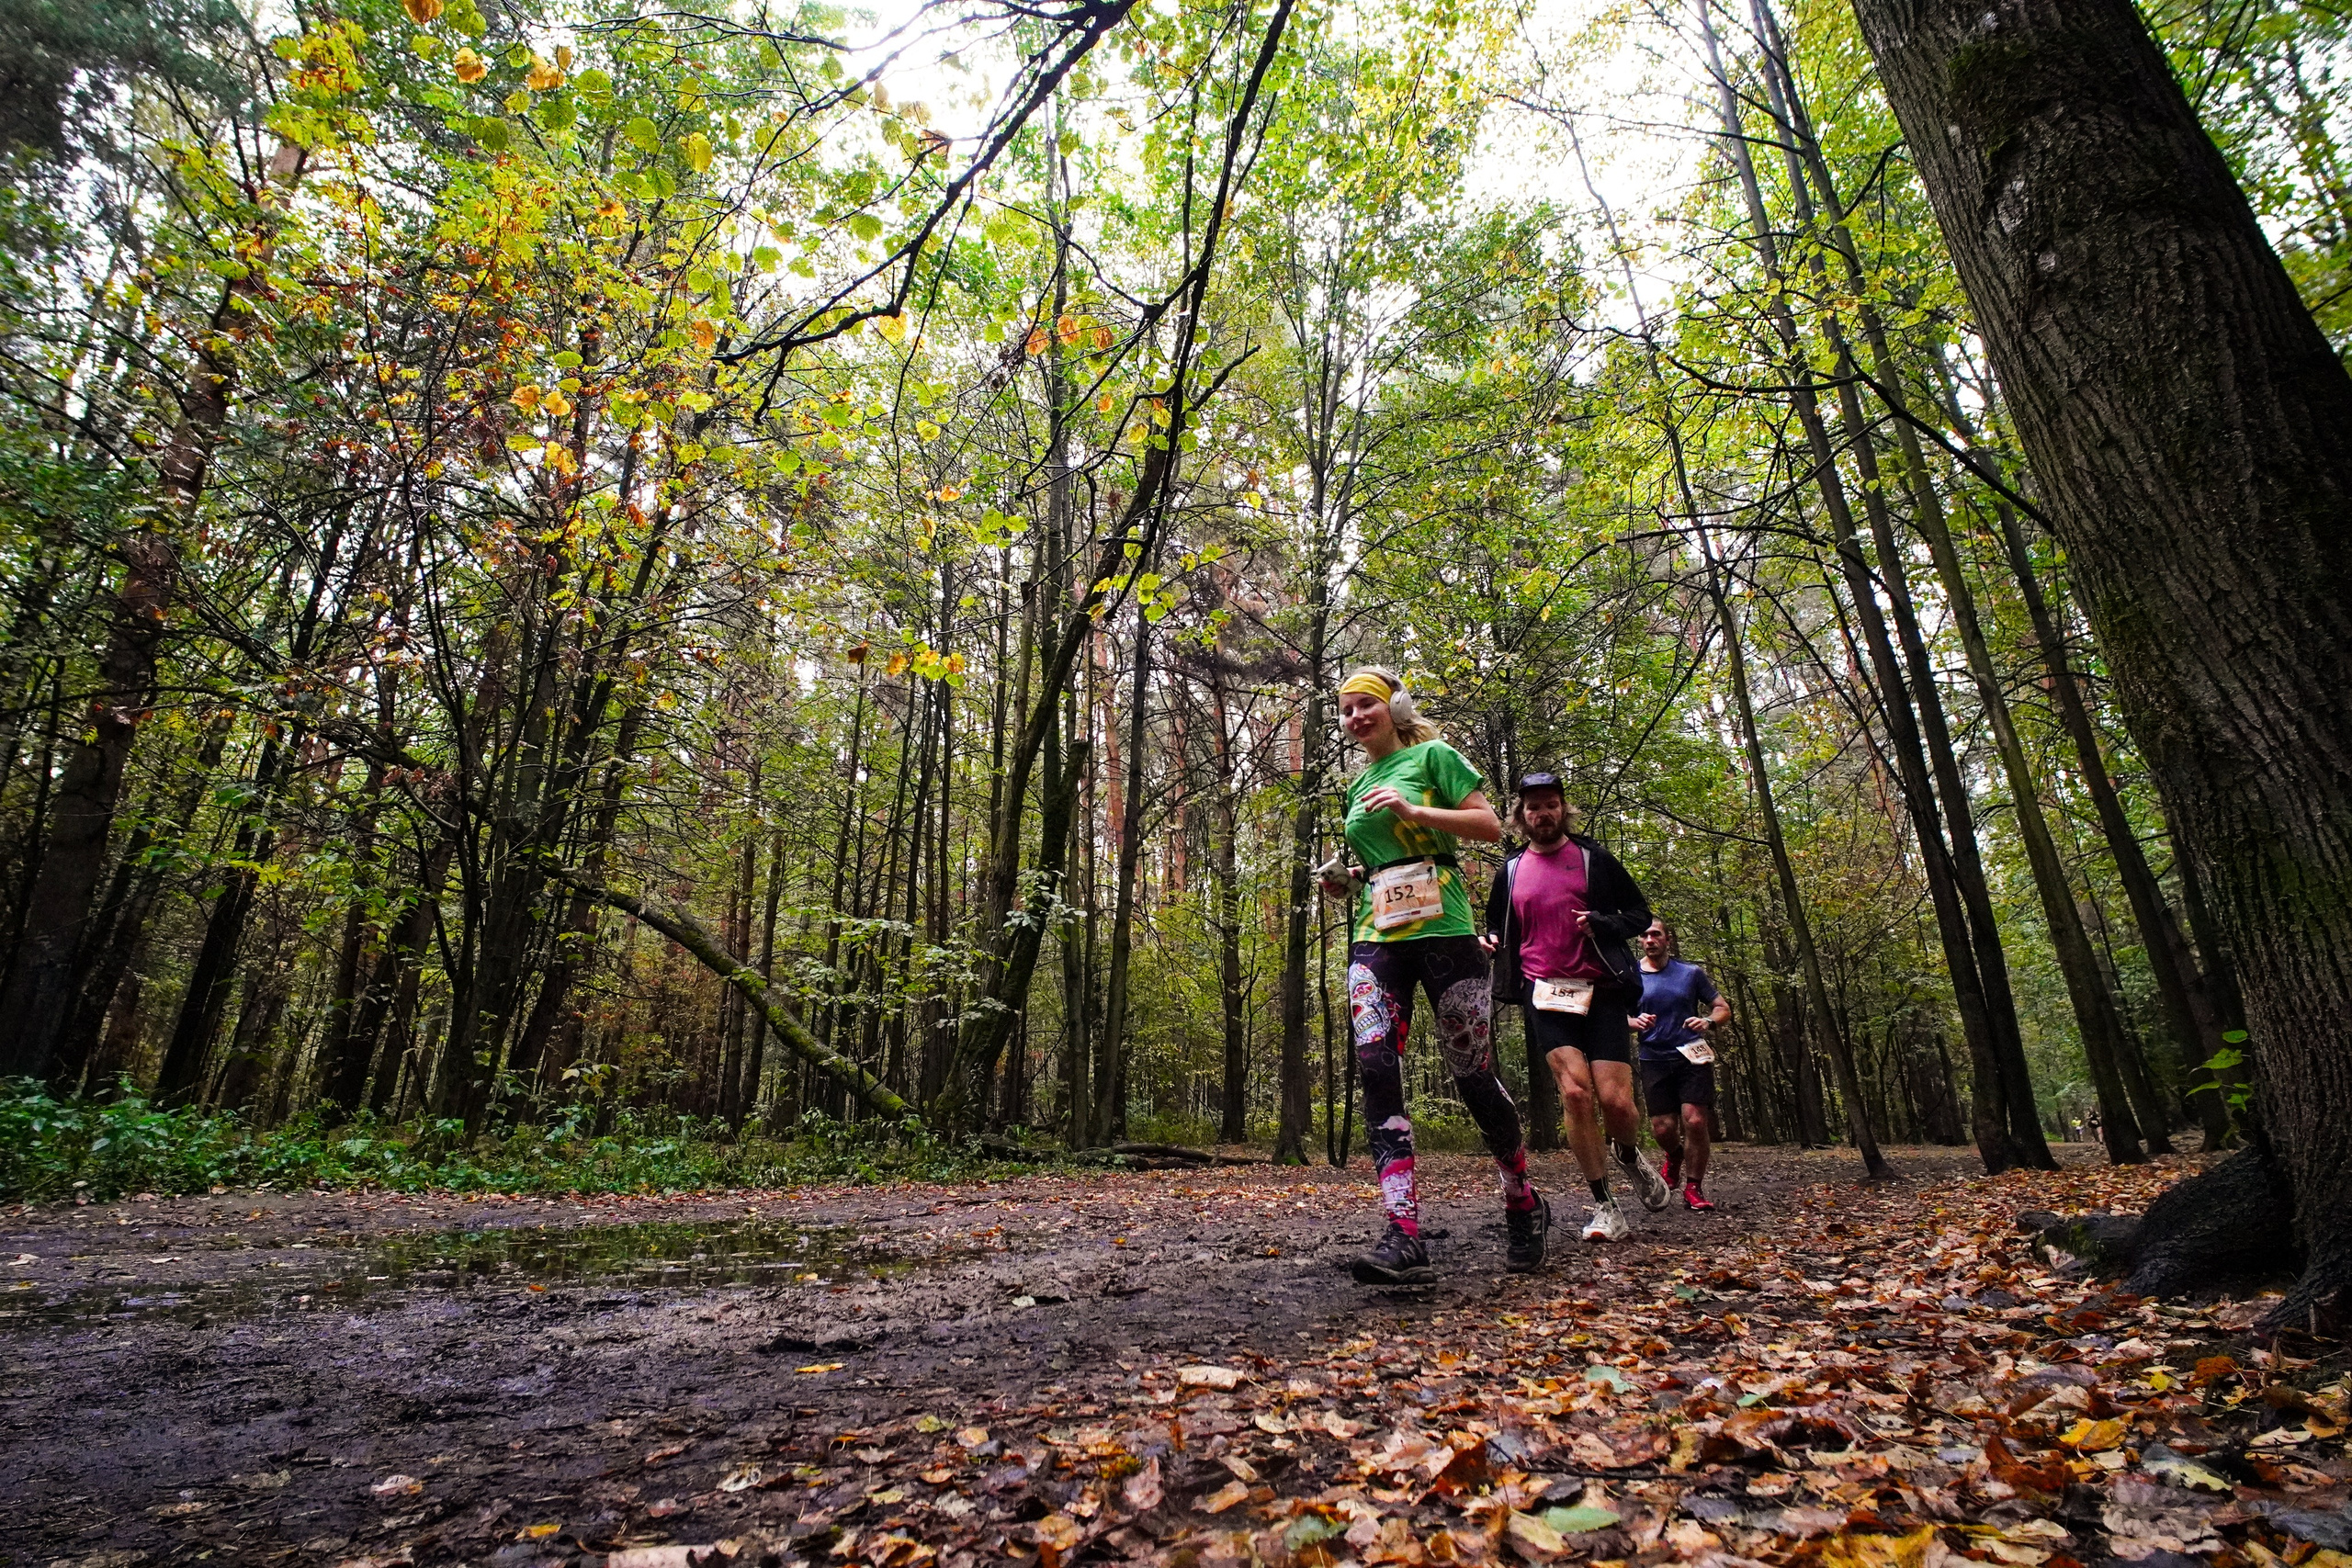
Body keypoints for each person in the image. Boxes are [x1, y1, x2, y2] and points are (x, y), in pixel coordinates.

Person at [1317, 667, 1548, 1283]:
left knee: (1473, 1075)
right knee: (1374, 1064)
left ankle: (1521, 1196)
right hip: (1375, 935)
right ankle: (1403, 1231)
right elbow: (1375, 862)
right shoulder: (1356, 783)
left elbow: (1490, 825)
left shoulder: (1434, 755)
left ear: (1394, 705)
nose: (1355, 717)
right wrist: (1345, 880)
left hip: (1444, 930)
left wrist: (1415, 806)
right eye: (1345, 710)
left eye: (1364, 704)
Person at [1482, 773, 1665, 1243]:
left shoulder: (1593, 858)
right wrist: (1491, 946)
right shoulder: (1510, 870)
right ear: (1521, 817)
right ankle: (1605, 1205)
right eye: (1533, 808)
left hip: (1601, 989)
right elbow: (1497, 928)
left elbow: (1640, 915)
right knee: (1576, 1094)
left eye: (1551, 805)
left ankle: (1628, 1154)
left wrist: (1602, 923)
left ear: (1564, 809)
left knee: (1617, 1101)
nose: (1542, 814)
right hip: (1544, 992)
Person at [1631, 919, 1732, 1212]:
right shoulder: (1633, 977)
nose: (1650, 939)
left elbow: (1722, 1007)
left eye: (1656, 934)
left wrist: (1708, 1021)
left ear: (1668, 940)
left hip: (1691, 1055)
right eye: (1645, 935)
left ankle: (1693, 1188)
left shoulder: (1690, 974)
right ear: (1640, 941)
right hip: (1653, 1058)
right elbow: (1617, 1017)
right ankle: (1674, 1156)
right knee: (1662, 1128)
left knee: (1696, 1121)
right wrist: (1633, 1022)